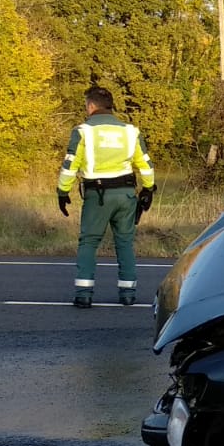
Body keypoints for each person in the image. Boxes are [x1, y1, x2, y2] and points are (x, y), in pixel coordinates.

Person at [57, 86, 156, 308]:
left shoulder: (83, 131)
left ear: (91, 106)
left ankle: (84, 293)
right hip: (126, 195)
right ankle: (128, 293)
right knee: (125, 242)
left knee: (89, 242)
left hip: (97, 195)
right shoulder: (131, 131)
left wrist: (62, 191)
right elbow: (146, 164)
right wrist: (148, 189)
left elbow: (70, 165)